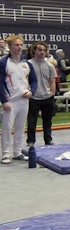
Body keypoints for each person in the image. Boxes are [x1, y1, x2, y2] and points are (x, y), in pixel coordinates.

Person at [0, 35, 38, 164]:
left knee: (20, 127)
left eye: (21, 45)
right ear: (10, 47)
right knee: (7, 128)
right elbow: (0, 83)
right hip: (10, 100)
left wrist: (31, 91)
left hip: (24, 99)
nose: (19, 47)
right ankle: (5, 154)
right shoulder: (4, 63)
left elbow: (34, 80)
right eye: (16, 45)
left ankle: (17, 152)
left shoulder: (26, 64)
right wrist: (4, 101)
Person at [27, 41, 57, 147]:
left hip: (47, 97)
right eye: (40, 50)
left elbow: (52, 81)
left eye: (44, 50)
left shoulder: (50, 66)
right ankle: (30, 141)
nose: (42, 52)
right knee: (31, 121)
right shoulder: (27, 64)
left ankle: (48, 139)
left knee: (48, 121)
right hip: (33, 97)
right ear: (34, 50)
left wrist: (52, 95)